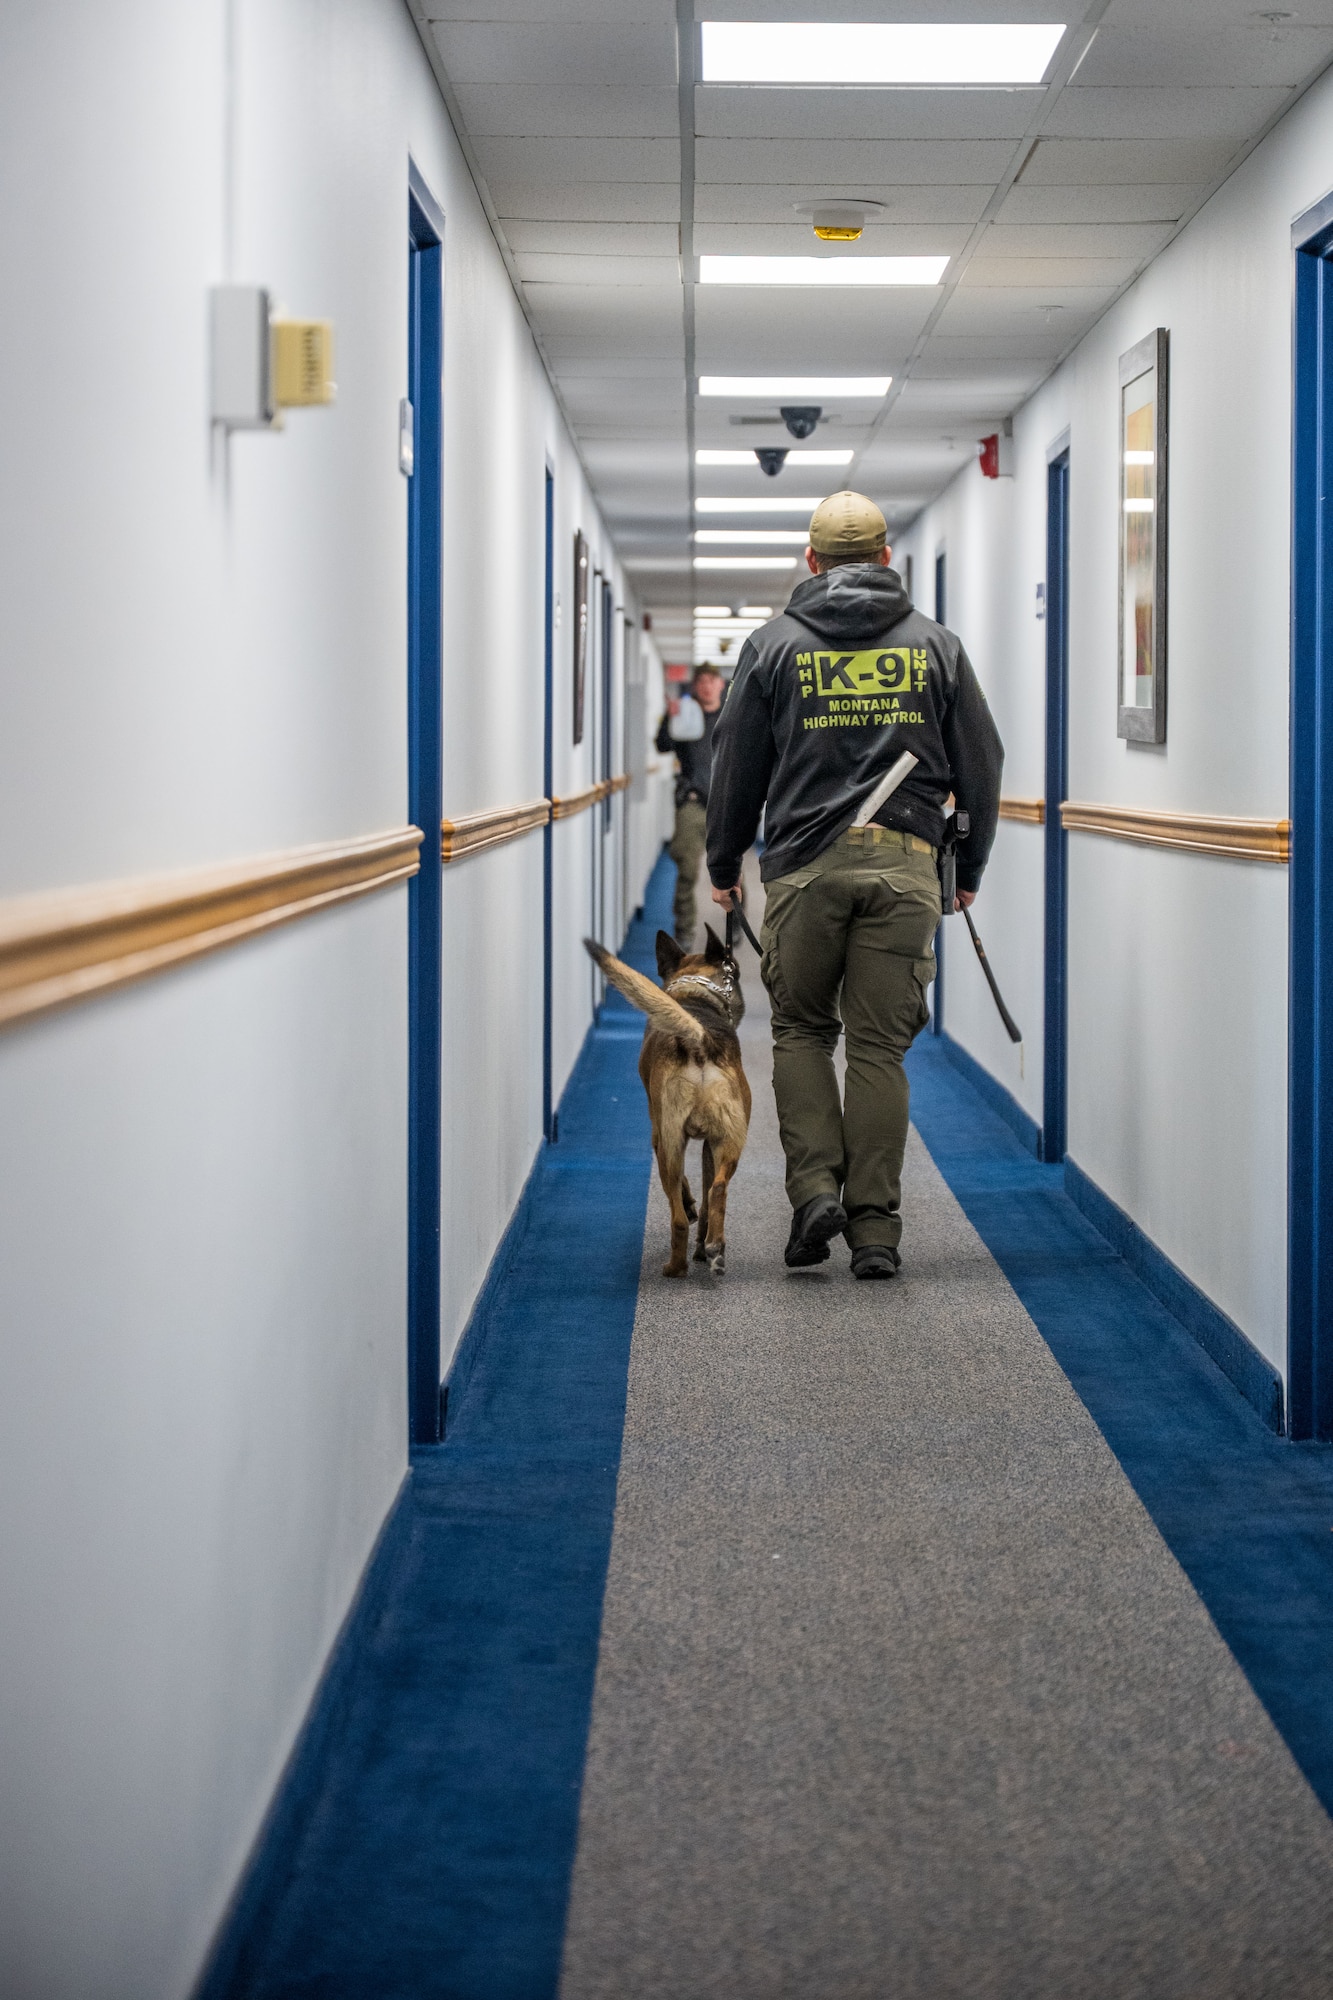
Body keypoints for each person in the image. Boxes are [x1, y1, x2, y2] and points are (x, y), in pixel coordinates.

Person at [705, 491, 1003, 1278]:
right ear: (884, 560)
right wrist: (964, 869)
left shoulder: (771, 647)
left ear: (810, 562)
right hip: (905, 868)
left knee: (801, 1031)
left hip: (803, 866)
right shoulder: (936, 646)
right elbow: (982, 761)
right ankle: (875, 1231)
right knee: (879, 1048)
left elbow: (736, 766)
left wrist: (723, 862)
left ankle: (812, 1195)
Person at [656, 663, 727, 945]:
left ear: (720, 684)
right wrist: (668, 719)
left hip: (725, 805)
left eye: (712, 680)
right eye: (702, 681)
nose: (707, 686)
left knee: (730, 869)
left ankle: (737, 920)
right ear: (695, 686)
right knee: (687, 868)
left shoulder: (732, 716)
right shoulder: (686, 715)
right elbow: (662, 745)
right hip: (693, 803)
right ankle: (684, 930)